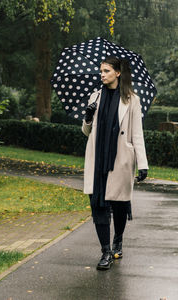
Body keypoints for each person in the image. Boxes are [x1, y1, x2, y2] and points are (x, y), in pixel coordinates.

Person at [82, 56, 148, 271]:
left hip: (120, 159)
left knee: (119, 205)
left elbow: (137, 134)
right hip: (97, 158)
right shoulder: (95, 96)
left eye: (107, 71)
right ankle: (105, 251)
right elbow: (86, 131)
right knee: (98, 204)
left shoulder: (131, 99)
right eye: (101, 70)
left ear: (118, 73)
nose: (102, 74)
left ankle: (118, 238)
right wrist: (88, 117)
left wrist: (143, 164)